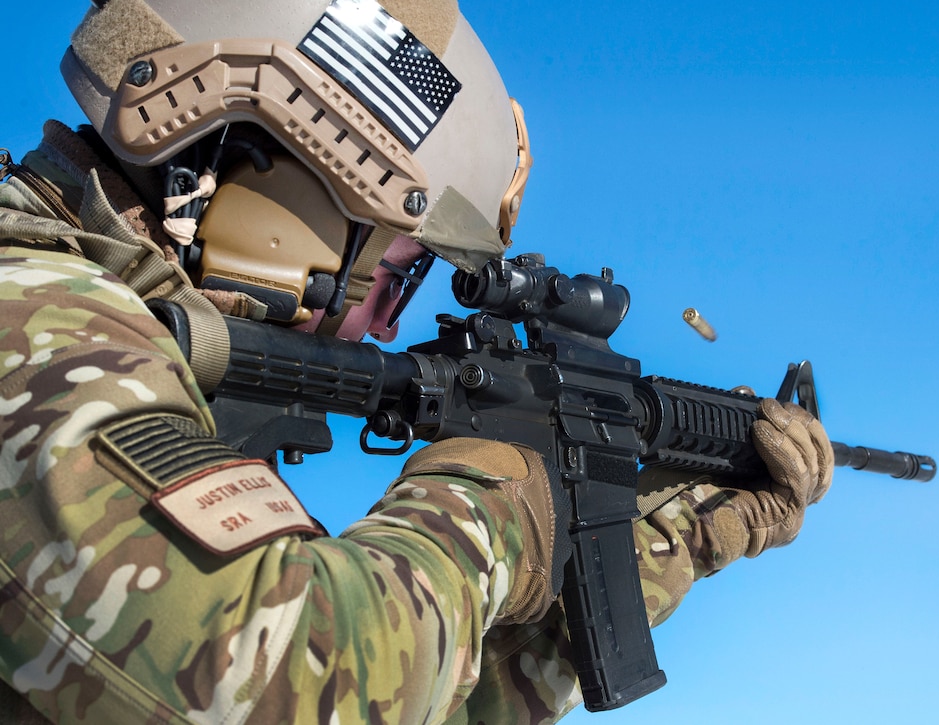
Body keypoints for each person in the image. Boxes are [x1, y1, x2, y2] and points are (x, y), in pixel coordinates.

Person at [0, 0, 834, 723]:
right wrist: (493, 500)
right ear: (284, 192)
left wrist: (676, 534)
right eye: (392, 278)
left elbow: (419, 697)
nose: (375, 330)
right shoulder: (33, 318)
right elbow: (291, 688)